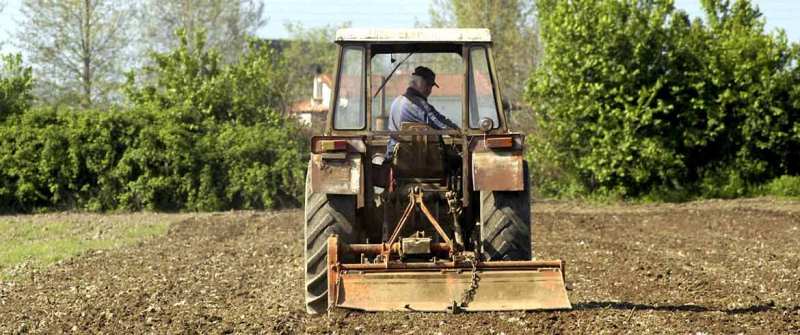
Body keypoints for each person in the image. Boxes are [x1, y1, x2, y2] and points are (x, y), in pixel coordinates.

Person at [385, 66, 459, 160]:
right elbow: (439, 123)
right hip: (411, 158)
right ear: (421, 84)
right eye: (429, 86)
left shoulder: (397, 101)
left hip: (393, 155)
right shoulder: (418, 104)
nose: (429, 90)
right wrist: (458, 131)